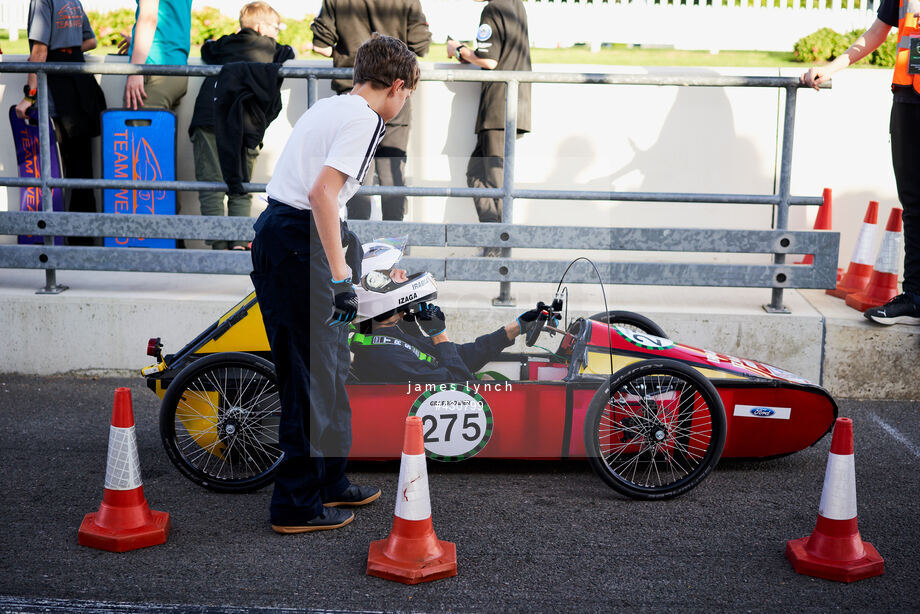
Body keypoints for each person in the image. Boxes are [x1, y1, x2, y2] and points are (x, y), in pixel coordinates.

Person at [250, 34, 418, 533]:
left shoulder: (331, 108)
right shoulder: (367, 119)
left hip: (288, 236)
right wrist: (343, 278)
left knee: (327, 368)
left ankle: (329, 480)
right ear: (397, 85)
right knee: (309, 377)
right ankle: (296, 505)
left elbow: (318, 196)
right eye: (407, 94)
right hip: (298, 243)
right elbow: (321, 194)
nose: (404, 102)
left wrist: (344, 247)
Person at [802, 0, 920, 326]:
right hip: (908, 98)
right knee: (913, 202)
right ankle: (914, 297)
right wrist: (831, 67)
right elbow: (877, 33)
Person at [310, 0, 431, 221]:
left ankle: (357, 240)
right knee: (392, 172)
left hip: (354, 90)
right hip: (394, 94)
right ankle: (392, 244)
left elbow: (321, 46)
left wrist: (354, 58)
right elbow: (421, 46)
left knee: (352, 172)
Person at [188, 1, 294, 251]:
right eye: (275, 28)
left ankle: (217, 246)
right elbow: (288, 54)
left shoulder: (223, 45)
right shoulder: (272, 48)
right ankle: (238, 243)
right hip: (246, 123)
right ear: (260, 26)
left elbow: (207, 50)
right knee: (242, 185)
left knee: (211, 185)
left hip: (210, 116)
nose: (277, 33)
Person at [15, 0, 107, 246]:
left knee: (63, 167)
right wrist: (65, 48)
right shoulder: (72, 0)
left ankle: (72, 241)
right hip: (80, 86)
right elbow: (91, 41)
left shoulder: (43, 1)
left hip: (60, 88)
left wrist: (28, 96)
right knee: (81, 167)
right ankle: (83, 240)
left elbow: (40, 52)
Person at [447, 0, 532, 255]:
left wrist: (459, 49)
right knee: (477, 172)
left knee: (495, 182)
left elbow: (490, 60)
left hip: (498, 108)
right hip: (513, 104)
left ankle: (499, 246)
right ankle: (494, 236)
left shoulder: (492, 8)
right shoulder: (516, 5)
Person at [351, 301, 544, 383]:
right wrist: (439, 334)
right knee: (490, 384)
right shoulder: (383, 354)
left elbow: (458, 356)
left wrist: (517, 327)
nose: (401, 273)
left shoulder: (385, 333)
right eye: (392, 274)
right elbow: (460, 384)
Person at [121, 0, 193, 111]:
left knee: (137, 128)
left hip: (153, 70)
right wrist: (136, 42)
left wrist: (136, 69)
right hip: (178, 70)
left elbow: (148, 19)